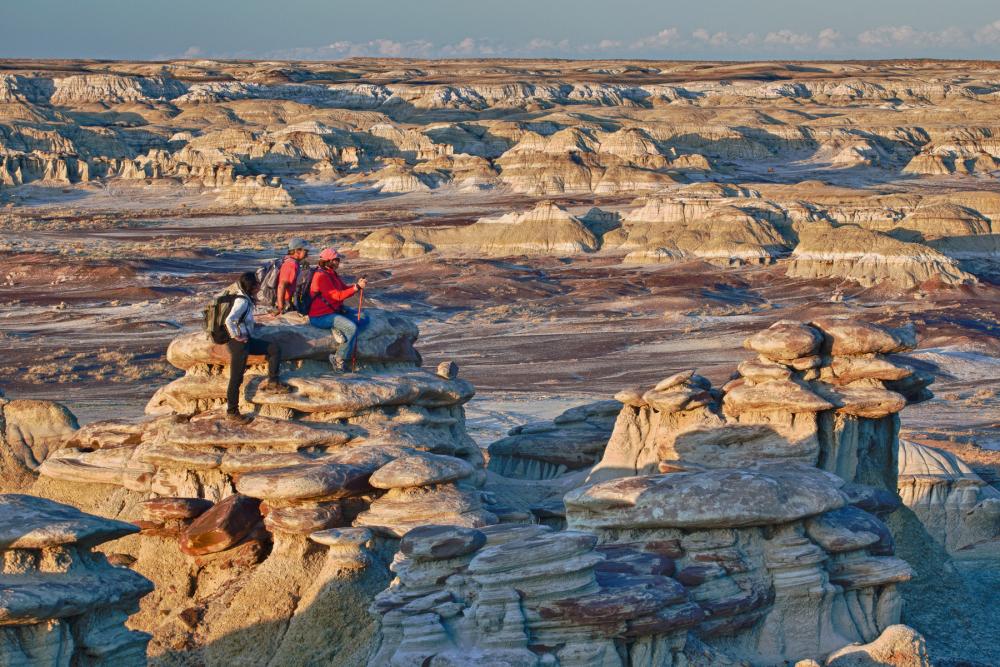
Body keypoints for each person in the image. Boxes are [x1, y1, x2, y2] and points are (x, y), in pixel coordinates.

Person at [225, 271, 292, 423]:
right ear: (252, 286)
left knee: (274, 349)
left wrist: (253, 325)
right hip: (239, 344)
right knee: (236, 378)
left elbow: (243, 318)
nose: (259, 285)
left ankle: (273, 382)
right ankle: (232, 412)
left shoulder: (246, 298)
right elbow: (230, 320)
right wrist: (237, 335)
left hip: (246, 340)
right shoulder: (241, 301)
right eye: (256, 283)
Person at [308, 248, 368, 372]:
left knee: (363, 318)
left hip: (333, 311)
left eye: (338, 259)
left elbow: (344, 289)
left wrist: (356, 285)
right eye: (336, 260)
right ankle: (338, 358)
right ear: (327, 261)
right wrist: (356, 288)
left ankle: (338, 330)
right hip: (320, 316)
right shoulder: (321, 276)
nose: (338, 262)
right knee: (352, 328)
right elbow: (337, 296)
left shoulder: (331, 273)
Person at [275, 238, 311, 313]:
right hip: (286, 303)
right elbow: (281, 285)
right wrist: (281, 307)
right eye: (305, 250)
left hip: (287, 301)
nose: (307, 253)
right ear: (297, 251)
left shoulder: (288, 260)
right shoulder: (291, 264)